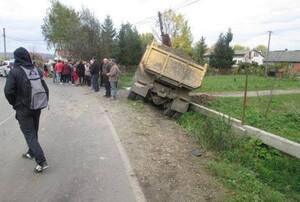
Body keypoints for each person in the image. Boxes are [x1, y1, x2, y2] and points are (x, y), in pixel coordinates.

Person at [4, 47, 49, 173]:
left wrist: (15, 103)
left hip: (23, 108)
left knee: (29, 134)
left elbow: (8, 91)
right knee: (33, 131)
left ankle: (41, 161)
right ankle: (31, 152)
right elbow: (44, 87)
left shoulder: (15, 71)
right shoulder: (36, 69)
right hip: (37, 105)